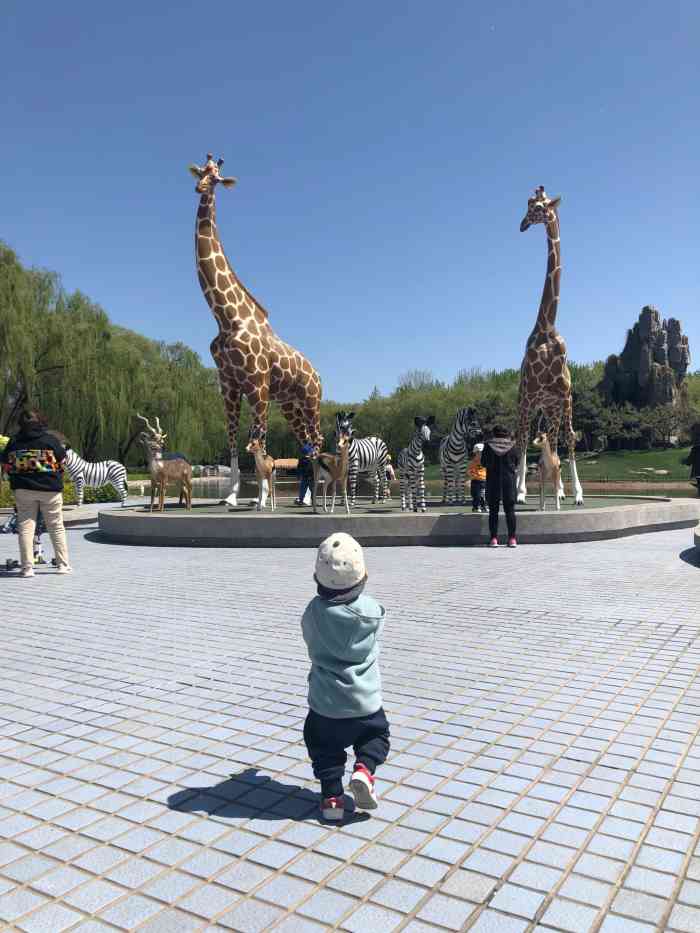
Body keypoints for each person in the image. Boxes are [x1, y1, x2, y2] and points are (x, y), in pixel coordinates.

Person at [301, 532, 390, 821]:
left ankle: (332, 801)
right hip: (365, 702)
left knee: (324, 749)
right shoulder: (372, 612)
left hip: (325, 705)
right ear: (362, 578)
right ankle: (364, 770)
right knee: (377, 736)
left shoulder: (313, 612)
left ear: (318, 578)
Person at [0, 410, 72, 576]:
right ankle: (63, 565)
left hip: (23, 489)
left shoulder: (14, 441)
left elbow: (5, 462)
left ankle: (27, 568)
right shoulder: (50, 440)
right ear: (39, 422)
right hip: (50, 490)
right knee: (56, 527)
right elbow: (63, 459)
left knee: (26, 528)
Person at [480, 425, 520, 548]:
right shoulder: (513, 446)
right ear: (506, 434)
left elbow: (483, 462)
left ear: (494, 434)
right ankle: (512, 539)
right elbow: (517, 462)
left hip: (493, 481)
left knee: (493, 511)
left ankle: (493, 539)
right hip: (509, 481)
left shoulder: (488, 445)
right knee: (510, 511)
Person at [467, 442, 487, 513]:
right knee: (477, 496)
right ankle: (475, 507)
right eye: (479, 453)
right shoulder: (473, 462)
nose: (480, 454)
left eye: (482, 453)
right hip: (476, 481)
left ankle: (483, 507)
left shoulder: (485, 461)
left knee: (483, 495)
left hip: (484, 481)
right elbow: (469, 471)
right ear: (475, 453)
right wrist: (472, 476)